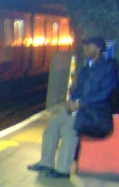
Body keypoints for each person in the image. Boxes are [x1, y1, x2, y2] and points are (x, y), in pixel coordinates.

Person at [28, 36, 118, 178]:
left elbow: (105, 92)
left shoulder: (109, 67)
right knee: (53, 125)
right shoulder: (85, 69)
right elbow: (78, 90)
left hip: (95, 112)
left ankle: (63, 169)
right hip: (79, 108)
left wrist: (81, 103)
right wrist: (71, 102)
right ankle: (46, 162)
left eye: (88, 46)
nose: (85, 49)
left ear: (98, 49)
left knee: (69, 128)